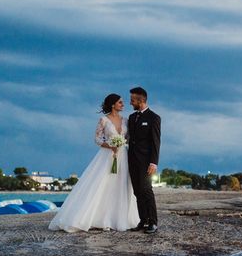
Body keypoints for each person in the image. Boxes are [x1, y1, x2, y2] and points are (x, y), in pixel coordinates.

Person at [49, 94, 140, 232]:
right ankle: (99, 217)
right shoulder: (103, 120)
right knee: (102, 184)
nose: (123, 104)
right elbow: (97, 139)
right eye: (120, 102)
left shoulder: (126, 120)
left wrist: (122, 144)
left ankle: (117, 218)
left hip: (123, 157)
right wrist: (110, 146)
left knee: (120, 186)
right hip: (107, 156)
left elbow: (128, 138)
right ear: (112, 104)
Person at [127, 87, 161, 234]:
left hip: (146, 162)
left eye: (132, 100)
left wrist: (153, 163)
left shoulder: (154, 118)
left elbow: (155, 142)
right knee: (137, 191)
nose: (130, 102)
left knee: (146, 190)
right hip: (132, 160)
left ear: (141, 101)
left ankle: (153, 222)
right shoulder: (131, 117)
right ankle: (143, 220)